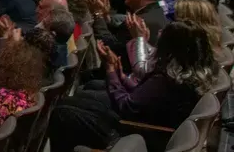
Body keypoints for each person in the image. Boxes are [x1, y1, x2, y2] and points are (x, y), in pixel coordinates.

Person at [49, 21, 219, 152]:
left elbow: (126, 106)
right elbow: (143, 96)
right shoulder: (187, 75)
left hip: (135, 131)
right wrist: (121, 76)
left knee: (62, 113)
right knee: (72, 103)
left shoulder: (166, 80)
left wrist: (111, 72)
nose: (158, 35)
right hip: (140, 123)